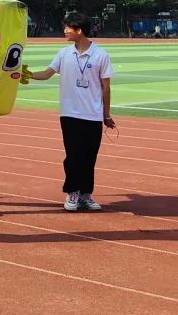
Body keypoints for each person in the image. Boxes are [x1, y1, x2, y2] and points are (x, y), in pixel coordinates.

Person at [22, 11, 115, 212]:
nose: (64, 31)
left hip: (92, 114)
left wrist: (106, 115)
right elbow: (47, 73)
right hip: (70, 114)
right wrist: (27, 74)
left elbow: (106, 87)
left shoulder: (100, 55)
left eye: (68, 28)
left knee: (89, 156)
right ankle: (72, 192)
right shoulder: (64, 53)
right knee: (73, 155)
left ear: (79, 30)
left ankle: (85, 194)